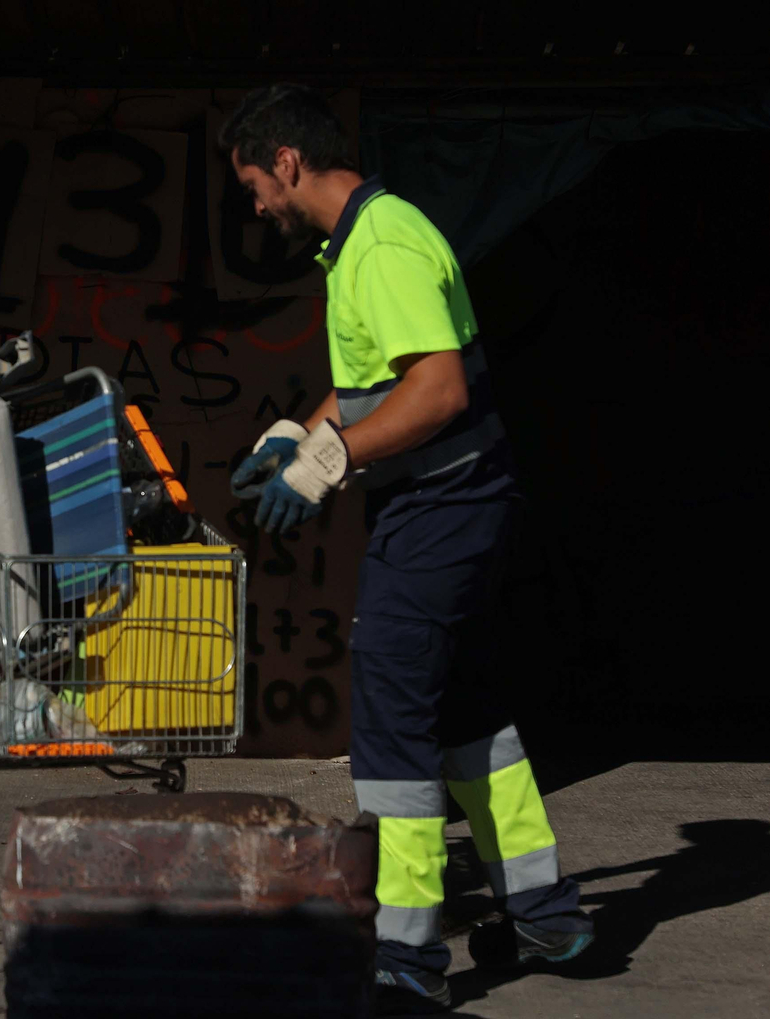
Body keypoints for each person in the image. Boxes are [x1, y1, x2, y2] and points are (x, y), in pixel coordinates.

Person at [220, 85, 593, 1013]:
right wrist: (298, 437)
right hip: (453, 506)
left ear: (289, 163)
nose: (255, 206)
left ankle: (410, 959)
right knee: (466, 712)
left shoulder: (380, 245)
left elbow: (434, 395)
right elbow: (371, 385)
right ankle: (545, 911)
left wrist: (332, 460)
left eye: (255, 186)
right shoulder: (362, 240)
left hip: (440, 508)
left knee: (390, 722)